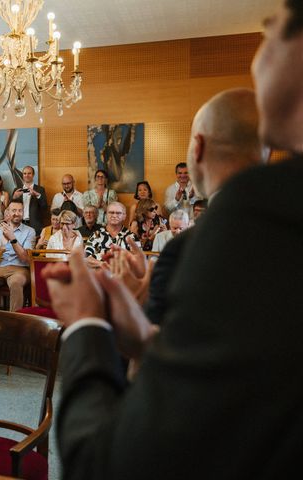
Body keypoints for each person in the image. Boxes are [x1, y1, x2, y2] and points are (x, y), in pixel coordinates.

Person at [44, 17, 293, 473]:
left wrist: (86, 323)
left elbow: (106, 463)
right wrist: (146, 339)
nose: (270, 23)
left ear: (195, 149)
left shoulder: (233, 234)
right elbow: (239, 373)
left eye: (280, 21)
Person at [0, 199, 36, 312]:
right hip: (0, 267)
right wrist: (3, 244)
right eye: (14, 210)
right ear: (8, 212)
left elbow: (25, 258)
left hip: (20, 268)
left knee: (16, 283)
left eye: (20, 210)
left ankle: (14, 322)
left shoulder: (30, 231)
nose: (17, 213)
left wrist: (13, 239)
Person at [11, 165, 47, 236]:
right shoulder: (17, 190)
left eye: (29, 173)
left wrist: (37, 195)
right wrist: (14, 197)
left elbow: (45, 208)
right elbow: (10, 209)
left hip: (34, 225)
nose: (27, 175)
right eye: (25, 173)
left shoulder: (40, 189)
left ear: (33, 175)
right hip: (19, 223)